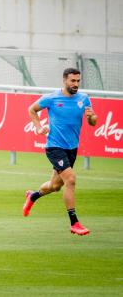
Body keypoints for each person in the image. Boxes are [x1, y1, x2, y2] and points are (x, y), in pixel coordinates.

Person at [23, 68, 97, 236]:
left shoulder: (84, 99)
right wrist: (38, 126)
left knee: (55, 186)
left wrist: (91, 117)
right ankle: (74, 223)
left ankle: (32, 196)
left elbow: (93, 122)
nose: (76, 84)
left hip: (72, 149)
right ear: (64, 80)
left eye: (78, 81)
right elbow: (31, 110)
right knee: (70, 180)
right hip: (55, 147)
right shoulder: (52, 98)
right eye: (73, 81)